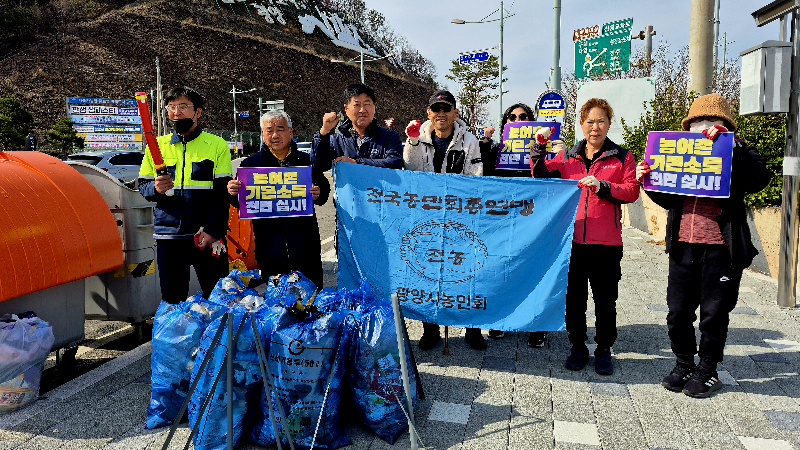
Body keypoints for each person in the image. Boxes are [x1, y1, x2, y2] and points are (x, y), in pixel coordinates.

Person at [638, 93, 772, 397]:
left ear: (726, 125)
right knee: (677, 312)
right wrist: (648, 180)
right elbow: (668, 198)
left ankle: (708, 369)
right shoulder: (679, 155)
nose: (704, 126)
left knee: (714, 314)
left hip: (721, 249)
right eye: (697, 121)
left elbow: (760, 178)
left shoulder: (738, 153)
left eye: (712, 120)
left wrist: (733, 147)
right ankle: (684, 363)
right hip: (683, 246)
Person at [530, 98, 639, 375]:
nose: (595, 127)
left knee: (605, 300)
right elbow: (541, 174)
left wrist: (603, 186)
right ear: (581, 124)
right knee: (574, 300)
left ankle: (604, 349)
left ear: (609, 124)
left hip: (607, 244)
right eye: (590, 121)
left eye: (601, 121)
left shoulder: (623, 157)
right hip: (573, 242)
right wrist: (538, 148)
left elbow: (631, 191)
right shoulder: (569, 157)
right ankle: (577, 346)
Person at [403, 89, 486, 351]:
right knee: (428, 273)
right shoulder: (416, 138)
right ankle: (431, 329)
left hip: (460, 215)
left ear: (455, 112)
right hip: (427, 217)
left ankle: (472, 328)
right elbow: (411, 172)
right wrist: (412, 142)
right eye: (436, 109)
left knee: (466, 272)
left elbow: (475, 176)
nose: (441, 113)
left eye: (446, 108)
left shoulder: (469, 141)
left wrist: (457, 203)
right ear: (429, 113)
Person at [138, 86, 232, 303]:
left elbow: (222, 194)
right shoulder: (156, 146)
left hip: (206, 237)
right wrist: (155, 189)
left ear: (198, 112)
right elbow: (142, 186)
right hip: (169, 237)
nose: (176, 112)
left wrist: (213, 230)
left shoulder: (217, 145)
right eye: (171, 107)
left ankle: (217, 328)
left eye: (183, 106)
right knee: (173, 300)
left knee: (218, 299)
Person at [227, 110, 330, 288]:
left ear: (291, 132)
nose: (275, 135)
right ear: (262, 134)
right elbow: (243, 203)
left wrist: (319, 192)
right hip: (269, 248)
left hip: (305, 246)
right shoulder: (250, 165)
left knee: (311, 297)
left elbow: (324, 190)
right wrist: (232, 192)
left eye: (280, 129)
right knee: (276, 299)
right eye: (269, 130)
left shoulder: (306, 161)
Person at [479, 102, 548, 348]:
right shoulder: (496, 149)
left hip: (533, 218)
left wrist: (546, 149)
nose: (518, 120)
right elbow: (482, 172)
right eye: (512, 117)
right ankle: (501, 318)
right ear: (505, 123)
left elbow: (551, 176)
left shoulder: (544, 148)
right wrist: (485, 143)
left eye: (524, 116)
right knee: (503, 269)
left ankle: (537, 324)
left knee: (533, 269)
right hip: (503, 218)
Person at [312, 82, 403, 171]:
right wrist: (324, 132)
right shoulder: (336, 141)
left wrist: (356, 163)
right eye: (357, 105)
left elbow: (395, 163)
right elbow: (318, 165)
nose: (362, 110)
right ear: (346, 109)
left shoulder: (390, 137)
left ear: (374, 108)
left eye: (367, 104)